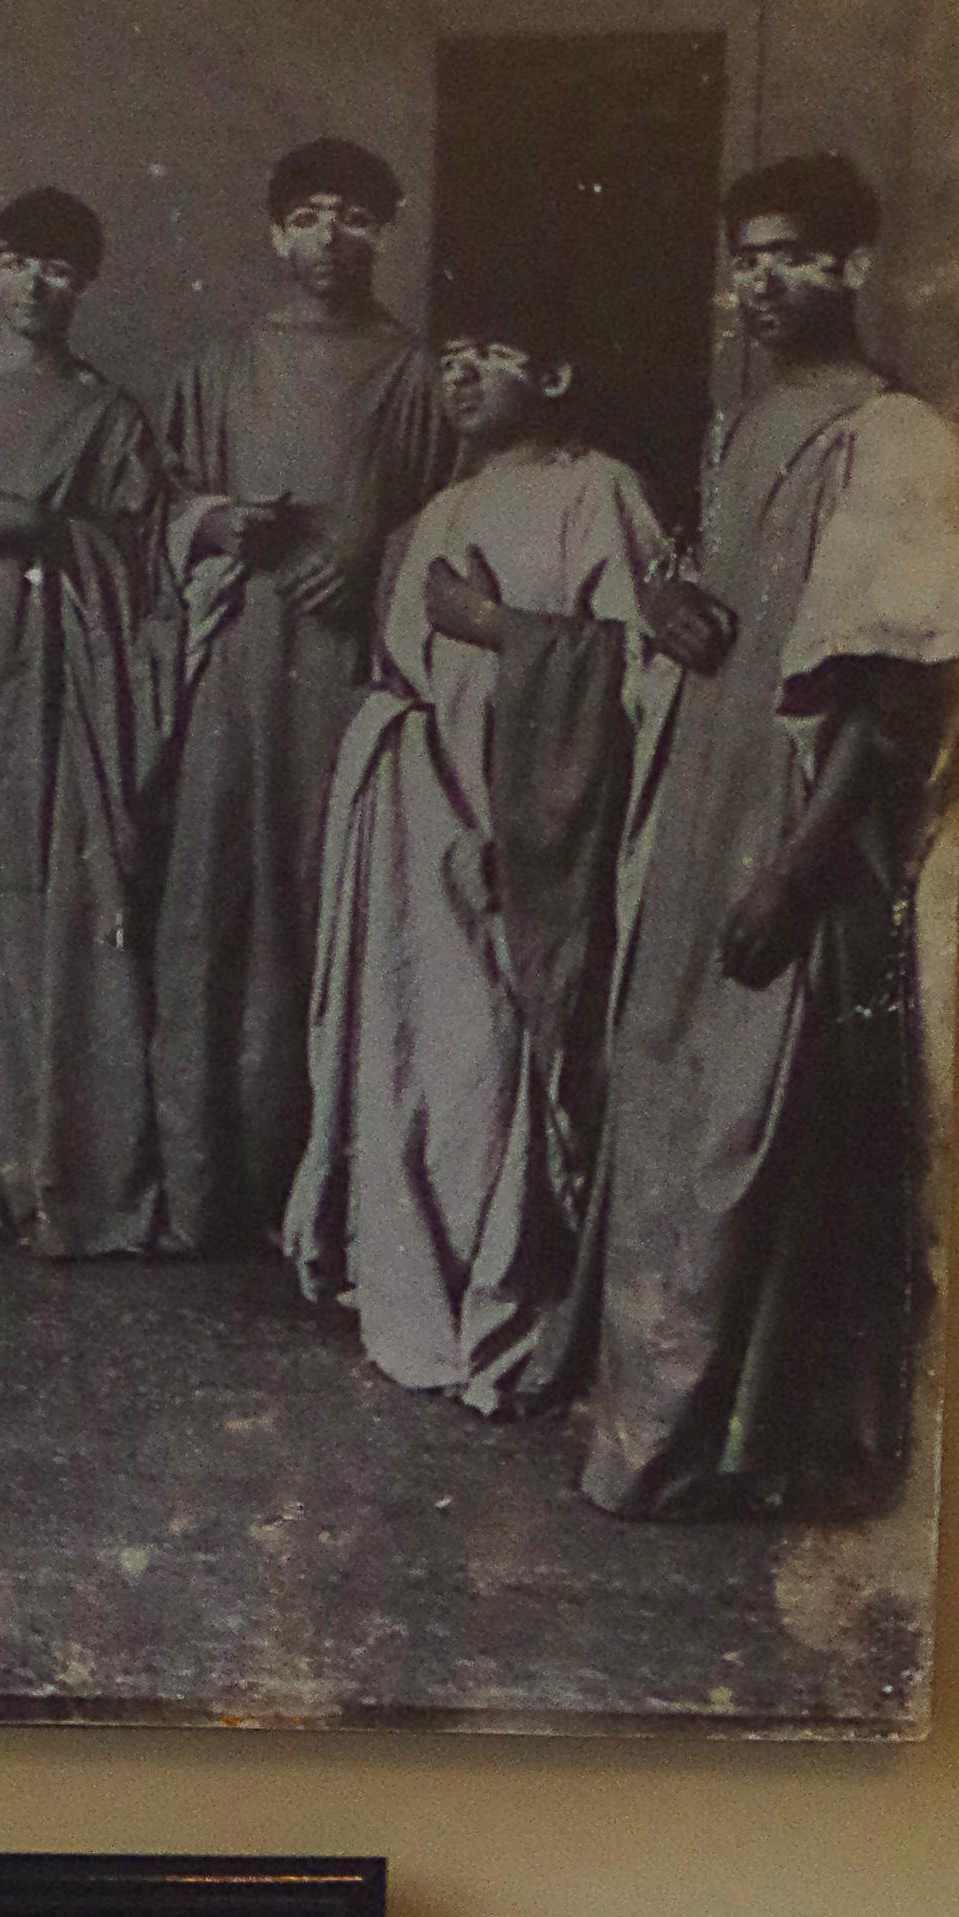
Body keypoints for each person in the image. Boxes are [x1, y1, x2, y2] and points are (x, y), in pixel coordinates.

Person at [581, 153, 959, 1520]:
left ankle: (750, 1444)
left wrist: (798, 873)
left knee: (768, 1112)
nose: (764, 281)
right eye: (746, 256)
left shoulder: (898, 439)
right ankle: (653, 1425)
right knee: (676, 1094)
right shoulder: (740, 425)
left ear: (856, 267)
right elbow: (719, 604)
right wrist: (678, 608)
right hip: (697, 810)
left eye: (795, 255)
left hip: (793, 833)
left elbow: (891, 693)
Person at [285, 288, 678, 1415]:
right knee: (408, 1039)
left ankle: (499, 1299)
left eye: (491, 353)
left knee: (489, 1057)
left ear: (553, 378)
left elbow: (644, 670)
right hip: (413, 808)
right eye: (450, 355)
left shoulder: (598, 493)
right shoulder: (439, 506)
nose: (460, 373)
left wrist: (503, 634)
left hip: (520, 828)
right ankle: (410, 1287)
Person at [150, 138, 457, 1255]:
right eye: (311, 216)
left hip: (348, 673)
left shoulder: (420, 374)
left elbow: (455, 520)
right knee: (219, 902)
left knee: (332, 904)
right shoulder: (222, 366)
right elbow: (164, 503)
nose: (332, 239)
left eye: (357, 217)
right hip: (240, 666)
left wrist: (378, 553)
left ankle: (325, 1202)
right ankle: (204, 1187)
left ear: (386, 233)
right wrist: (221, 523)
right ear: (275, 232)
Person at [0, 187, 191, 1255]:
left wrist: (53, 531)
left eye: (58, 269)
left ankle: (64, 1168)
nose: (34, 286)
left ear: (85, 285)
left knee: (64, 912)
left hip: (68, 701)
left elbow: (152, 572)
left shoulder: (110, 418)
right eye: (16, 261)